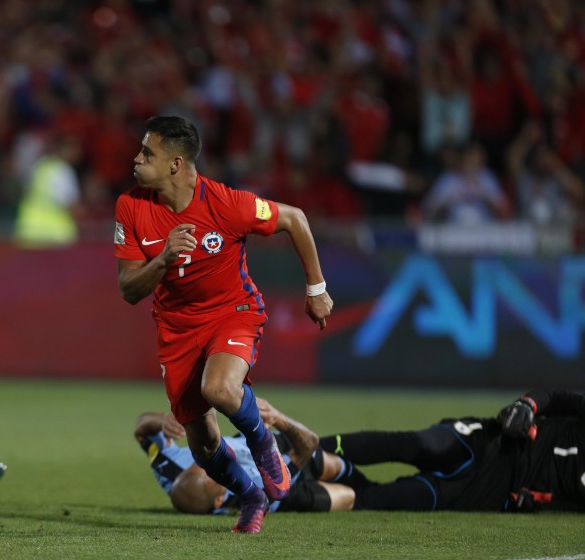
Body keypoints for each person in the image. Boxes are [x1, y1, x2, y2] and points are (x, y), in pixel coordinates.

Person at [114, 115, 334, 533]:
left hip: (232, 312)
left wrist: (316, 289)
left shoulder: (226, 203)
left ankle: (265, 447)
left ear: (176, 163)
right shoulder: (131, 205)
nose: (136, 158)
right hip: (176, 331)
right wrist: (163, 259)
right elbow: (128, 289)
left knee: (219, 388)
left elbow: (295, 218)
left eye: (148, 152)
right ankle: (251, 495)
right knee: (203, 445)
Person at [313, 389, 585, 513]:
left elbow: (568, 505)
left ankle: (298, 488)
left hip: (491, 491)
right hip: (492, 442)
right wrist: (526, 406)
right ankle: (301, 448)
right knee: (415, 445)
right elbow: (557, 398)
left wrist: (537, 503)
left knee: (384, 498)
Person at [135, 397, 354, 515]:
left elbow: (141, 429)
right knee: (350, 493)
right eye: (214, 475)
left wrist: (163, 420)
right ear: (220, 500)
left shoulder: (169, 469)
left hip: (268, 451)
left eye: (199, 466)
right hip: (286, 484)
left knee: (337, 462)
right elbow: (296, 462)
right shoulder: (245, 500)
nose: (210, 466)